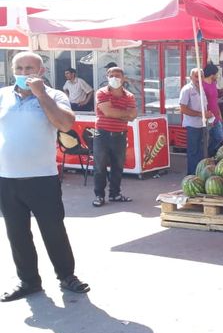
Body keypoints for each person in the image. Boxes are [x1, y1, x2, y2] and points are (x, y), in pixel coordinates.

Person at [0, 51, 89, 302]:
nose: (24, 73)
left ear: (41, 72)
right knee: (16, 232)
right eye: (20, 68)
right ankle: (28, 281)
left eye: (30, 68)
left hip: (42, 177)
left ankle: (66, 275)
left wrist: (41, 95)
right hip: (7, 177)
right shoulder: (3, 95)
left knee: (52, 229)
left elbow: (65, 124)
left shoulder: (55, 95)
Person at [92, 66, 137, 207]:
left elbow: (133, 115)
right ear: (107, 77)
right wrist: (124, 114)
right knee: (100, 166)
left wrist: (117, 113)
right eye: (111, 75)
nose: (114, 78)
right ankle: (99, 196)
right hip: (102, 134)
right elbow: (108, 112)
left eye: (118, 75)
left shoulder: (129, 96)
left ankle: (115, 194)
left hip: (120, 135)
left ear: (123, 78)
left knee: (118, 166)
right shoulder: (101, 93)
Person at [180, 68, 214, 175]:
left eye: (201, 76)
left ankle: (199, 174)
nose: (198, 78)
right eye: (196, 76)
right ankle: (191, 175)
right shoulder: (187, 89)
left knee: (201, 151)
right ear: (191, 77)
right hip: (192, 125)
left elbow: (203, 106)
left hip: (202, 125)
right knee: (193, 152)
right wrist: (201, 114)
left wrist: (208, 116)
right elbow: (183, 109)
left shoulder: (202, 89)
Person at [203, 63, 223, 156]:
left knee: (220, 137)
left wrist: (219, 115)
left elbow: (215, 101)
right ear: (212, 74)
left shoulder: (213, 84)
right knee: (207, 139)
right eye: (216, 74)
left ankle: (210, 153)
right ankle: (207, 156)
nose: (217, 76)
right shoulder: (203, 85)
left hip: (216, 116)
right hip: (208, 117)